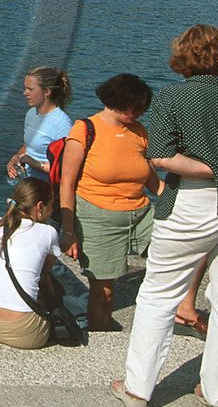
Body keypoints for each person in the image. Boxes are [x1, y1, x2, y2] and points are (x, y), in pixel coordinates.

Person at [114, 25, 218, 407]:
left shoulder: (173, 97)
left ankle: (138, 389)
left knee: (159, 296)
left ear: (183, 57)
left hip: (188, 207)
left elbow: (160, 157)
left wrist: (211, 169)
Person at [57, 73, 158, 331]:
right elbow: (66, 184)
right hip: (97, 217)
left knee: (175, 252)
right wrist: (68, 231)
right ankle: (100, 335)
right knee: (105, 292)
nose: (140, 113)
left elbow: (153, 182)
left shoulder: (139, 131)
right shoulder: (84, 130)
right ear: (118, 101)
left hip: (142, 213)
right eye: (136, 107)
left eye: (144, 108)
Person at [0, 176, 64, 349]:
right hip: (25, 333)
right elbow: (46, 271)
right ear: (40, 206)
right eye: (51, 205)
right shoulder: (48, 232)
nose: (52, 210)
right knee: (57, 276)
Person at [6, 65, 73, 181]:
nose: (24, 93)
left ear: (46, 91)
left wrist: (35, 164)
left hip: (47, 188)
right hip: (28, 184)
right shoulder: (31, 114)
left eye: (30, 89)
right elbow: (27, 147)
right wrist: (15, 158)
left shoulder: (62, 124)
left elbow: (67, 168)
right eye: (25, 88)